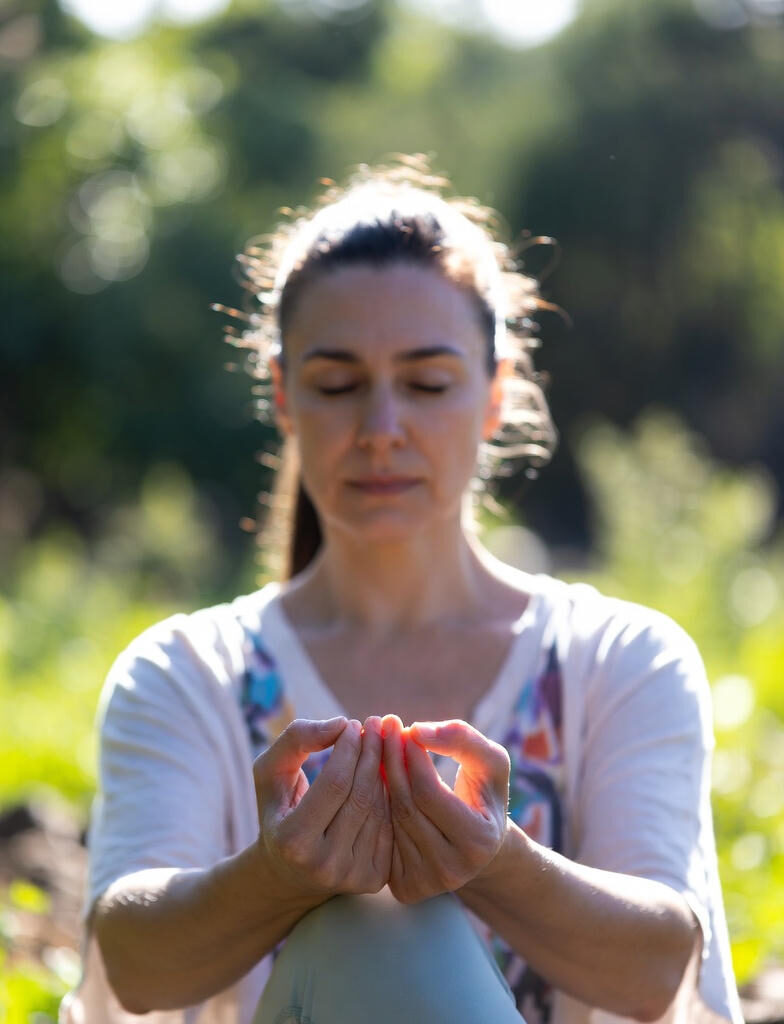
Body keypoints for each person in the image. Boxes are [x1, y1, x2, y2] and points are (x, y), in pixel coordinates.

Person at [62, 156, 743, 1024]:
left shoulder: (621, 660)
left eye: (427, 383)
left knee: (396, 926)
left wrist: (499, 865)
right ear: (283, 395)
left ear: (495, 395)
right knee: (374, 928)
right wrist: (274, 877)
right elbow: (134, 968)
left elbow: (660, 972)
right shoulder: (183, 673)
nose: (382, 430)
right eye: (338, 384)